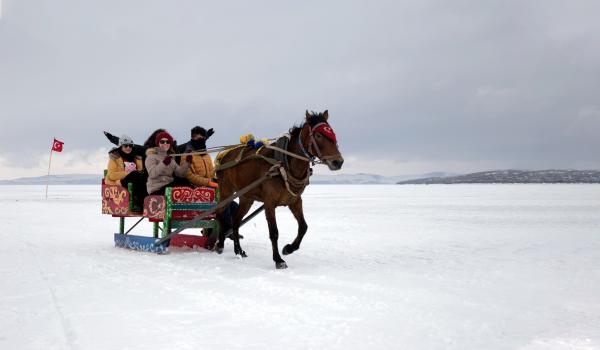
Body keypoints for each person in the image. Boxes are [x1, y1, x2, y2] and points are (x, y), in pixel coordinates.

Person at [104, 135, 147, 212]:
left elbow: (140, 171)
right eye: (125, 146)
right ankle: (137, 203)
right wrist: (129, 173)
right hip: (120, 182)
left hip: (135, 182)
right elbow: (112, 175)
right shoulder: (115, 157)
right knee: (135, 174)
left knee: (145, 176)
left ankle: (145, 201)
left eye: (130, 146)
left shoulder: (136, 157)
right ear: (120, 146)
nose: (128, 148)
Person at [145, 131, 192, 195]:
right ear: (158, 143)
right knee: (178, 183)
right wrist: (164, 163)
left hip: (168, 186)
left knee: (183, 180)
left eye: (167, 142)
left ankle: (194, 197)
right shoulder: (151, 157)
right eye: (162, 142)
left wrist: (187, 162)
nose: (165, 143)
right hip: (156, 189)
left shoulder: (171, 159)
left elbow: (180, 174)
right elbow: (152, 174)